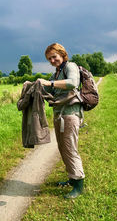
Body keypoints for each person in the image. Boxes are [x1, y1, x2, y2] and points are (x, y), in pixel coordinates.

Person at [37, 42, 85, 199]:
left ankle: (78, 184)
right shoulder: (57, 72)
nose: (52, 61)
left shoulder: (71, 66)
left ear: (62, 54)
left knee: (70, 148)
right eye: (49, 59)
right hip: (60, 115)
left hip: (70, 115)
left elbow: (72, 83)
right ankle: (72, 178)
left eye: (54, 57)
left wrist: (49, 83)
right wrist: (35, 85)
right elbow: (49, 89)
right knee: (63, 148)